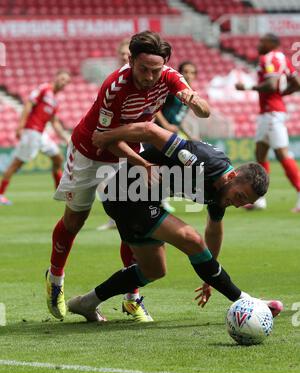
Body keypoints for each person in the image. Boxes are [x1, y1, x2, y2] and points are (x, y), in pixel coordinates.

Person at [46, 31, 210, 321]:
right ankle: (55, 280)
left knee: (132, 218)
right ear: (131, 60)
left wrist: (194, 101)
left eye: (155, 70)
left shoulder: (169, 77)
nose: (149, 76)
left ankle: (131, 298)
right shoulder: (115, 87)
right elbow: (104, 139)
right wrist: (142, 164)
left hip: (128, 152)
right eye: (143, 69)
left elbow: (204, 112)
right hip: (90, 151)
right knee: (75, 220)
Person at [67, 121, 283, 322]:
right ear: (231, 177)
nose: (238, 204)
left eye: (245, 202)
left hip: (143, 201)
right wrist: (108, 136)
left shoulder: (222, 192)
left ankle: (86, 303)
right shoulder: (202, 162)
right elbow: (150, 131)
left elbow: (214, 230)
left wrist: (211, 276)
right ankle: (246, 301)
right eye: (240, 197)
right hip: (125, 194)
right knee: (191, 239)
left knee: (153, 270)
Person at [235, 33, 300, 212]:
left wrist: (247, 87)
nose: (258, 45)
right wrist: (282, 94)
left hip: (272, 114)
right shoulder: (283, 59)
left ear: (272, 43)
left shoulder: (268, 58)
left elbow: (271, 85)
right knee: (261, 153)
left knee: (282, 154)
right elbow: (297, 83)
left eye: (262, 42)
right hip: (270, 112)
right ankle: (259, 200)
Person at [0, 70, 71, 205]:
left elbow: (54, 122)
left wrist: (66, 139)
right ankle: (0, 194)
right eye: (62, 79)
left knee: (58, 158)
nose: (63, 83)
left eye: (66, 82)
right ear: (56, 77)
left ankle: (58, 191)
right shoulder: (44, 89)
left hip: (41, 134)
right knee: (16, 164)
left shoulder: (55, 101)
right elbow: (28, 104)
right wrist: (20, 126)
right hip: (31, 132)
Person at [96, 38, 131, 231]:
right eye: (122, 54)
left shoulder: (142, 78)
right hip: (113, 136)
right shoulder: (112, 79)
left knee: (131, 180)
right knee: (104, 180)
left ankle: (129, 219)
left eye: (128, 53)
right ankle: (115, 219)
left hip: (131, 136)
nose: (125, 56)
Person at [154, 60, 198, 213]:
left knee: (168, 166)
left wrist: (190, 135)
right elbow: (155, 107)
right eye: (185, 72)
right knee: (162, 165)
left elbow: (178, 119)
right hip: (157, 132)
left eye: (192, 72)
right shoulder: (173, 91)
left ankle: (161, 198)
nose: (189, 75)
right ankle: (158, 199)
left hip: (171, 134)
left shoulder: (190, 94)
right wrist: (165, 125)